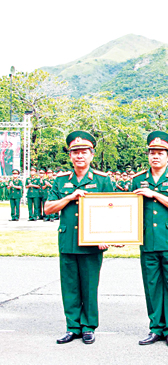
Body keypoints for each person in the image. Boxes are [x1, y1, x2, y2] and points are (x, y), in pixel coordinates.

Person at [44, 131, 113, 345]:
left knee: (90, 285)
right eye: (75, 152)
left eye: (83, 152)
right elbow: (48, 208)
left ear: (91, 154)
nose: (79, 156)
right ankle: (72, 326)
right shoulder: (61, 181)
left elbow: (112, 211)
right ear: (70, 156)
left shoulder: (102, 180)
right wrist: (70, 197)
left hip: (92, 243)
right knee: (70, 286)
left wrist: (106, 236)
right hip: (68, 240)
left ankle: (88, 326)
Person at [132, 131, 168, 347]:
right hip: (147, 240)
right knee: (152, 284)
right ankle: (155, 327)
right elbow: (130, 211)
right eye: (152, 152)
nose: (155, 156)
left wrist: (154, 194)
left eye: (160, 153)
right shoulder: (138, 180)